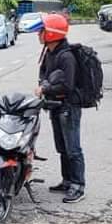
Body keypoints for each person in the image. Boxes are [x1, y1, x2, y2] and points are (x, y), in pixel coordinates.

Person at [35, 12, 86, 204]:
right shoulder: (49, 52)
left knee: (73, 148)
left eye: (42, 31)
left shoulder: (66, 57)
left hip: (68, 107)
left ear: (51, 33)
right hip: (55, 105)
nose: (38, 34)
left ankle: (78, 185)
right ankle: (67, 180)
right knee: (62, 147)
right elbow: (43, 73)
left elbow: (67, 85)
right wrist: (44, 84)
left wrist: (46, 87)